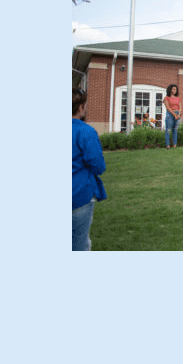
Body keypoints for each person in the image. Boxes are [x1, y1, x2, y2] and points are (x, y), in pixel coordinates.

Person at [73, 87, 107, 251]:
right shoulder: (85, 131)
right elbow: (98, 165)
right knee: (79, 246)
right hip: (78, 195)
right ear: (81, 107)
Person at [164, 84, 182, 149]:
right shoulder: (166, 98)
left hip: (177, 114)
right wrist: (174, 114)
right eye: (173, 89)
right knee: (168, 130)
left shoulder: (178, 98)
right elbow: (168, 108)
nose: (175, 90)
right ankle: (167, 145)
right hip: (170, 114)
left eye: (176, 89)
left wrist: (179, 114)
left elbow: (180, 107)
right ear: (170, 90)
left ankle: (174, 145)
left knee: (175, 130)